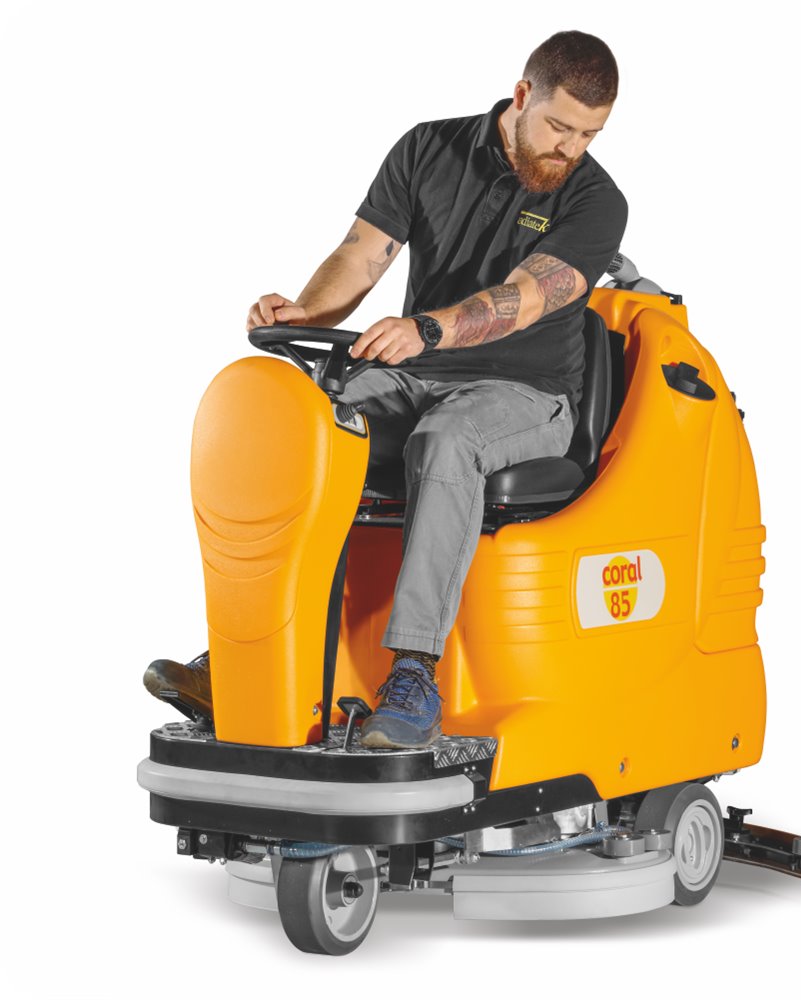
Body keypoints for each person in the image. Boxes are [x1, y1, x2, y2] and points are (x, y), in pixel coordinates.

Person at [145, 30, 627, 750]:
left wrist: (426, 330)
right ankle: (254, 654)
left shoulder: (596, 200)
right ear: (522, 96)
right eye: (560, 126)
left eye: (589, 134)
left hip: (528, 394)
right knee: (317, 425)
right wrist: (308, 311)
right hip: (418, 374)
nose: (571, 148)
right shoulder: (428, 149)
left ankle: (413, 678)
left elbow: (527, 297)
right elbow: (362, 253)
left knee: (447, 440)